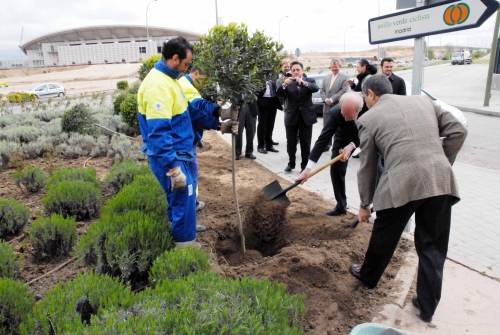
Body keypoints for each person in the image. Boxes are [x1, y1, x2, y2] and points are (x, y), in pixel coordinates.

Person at [348, 75, 467, 323]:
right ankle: (427, 307)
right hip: (439, 181)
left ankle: (368, 277)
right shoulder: (425, 103)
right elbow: (458, 129)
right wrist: (442, 161)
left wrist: (364, 204)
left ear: (371, 94)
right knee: (433, 246)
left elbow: (368, 167)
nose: (365, 101)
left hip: (402, 184)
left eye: (363, 96)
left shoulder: (368, 119)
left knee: (385, 233)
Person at [137, 37, 238, 249]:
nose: (188, 68)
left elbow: (189, 111)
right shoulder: (158, 85)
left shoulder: (171, 80)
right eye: (186, 64)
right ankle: (184, 250)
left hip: (180, 153)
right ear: (175, 58)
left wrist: (218, 120)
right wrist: (173, 168)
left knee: (182, 201)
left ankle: (180, 235)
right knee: (183, 199)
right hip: (172, 156)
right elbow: (158, 132)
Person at [296, 92, 364, 216]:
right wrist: (307, 168)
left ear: (359, 110)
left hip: (368, 136)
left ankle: (368, 207)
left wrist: (353, 145)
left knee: (374, 171)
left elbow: (371, 134)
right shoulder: (336, 113)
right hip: (343, 136)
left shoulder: (370, 109)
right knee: (336, 170)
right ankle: (341, 206)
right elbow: (322, 140)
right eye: (344, 114)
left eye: (350, 116)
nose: (346, 119)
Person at [178, 66, 232, 215]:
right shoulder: (185, 85)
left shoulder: (185, 84)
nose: (206, 84)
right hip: (184, 141)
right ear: (196, 73)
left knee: (190, 175)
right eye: (205, 80)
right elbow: (198, 109)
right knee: (190, 175)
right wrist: (219, 116)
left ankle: (192, 203)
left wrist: (219, 116)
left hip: (187, 138)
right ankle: (191, 206)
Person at [276, 60, 319, 173]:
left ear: (302, 71)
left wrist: (304, 83)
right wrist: (284, 84)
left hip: (306, 117)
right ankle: (291, 163)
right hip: (291, 116)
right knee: (291, 142)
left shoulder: (309, 80)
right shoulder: (288, 82)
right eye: (293, 70)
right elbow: (279, 93)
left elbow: (315, 88)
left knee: (306, 143)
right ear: (291, 71)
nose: (296, 72)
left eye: (298, 70)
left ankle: (304, 165)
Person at [346, 58, 377, 158]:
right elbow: (359, 89)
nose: (357, 69)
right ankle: (361, 149)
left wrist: (356, 94)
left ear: (364, 67)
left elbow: (367, 93)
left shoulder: (368, 78)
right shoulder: (361, 77)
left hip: (366, 107)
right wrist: (352, 85)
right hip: (361, 106)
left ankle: (363, 150)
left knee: (365, 129)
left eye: (358, 67)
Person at [319, 58, 349, 152]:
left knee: (338, 128)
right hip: (327, 107)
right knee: (326, 127)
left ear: (340, 66)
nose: (334, 69)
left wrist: (332, 99)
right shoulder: (327, 76)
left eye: (336, 67)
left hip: (337, 106)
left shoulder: (344, 77)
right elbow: (322, 90)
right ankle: (327, 145)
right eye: (332, 67)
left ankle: (337, 146)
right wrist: (326, 99)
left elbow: (344, 90)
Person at [256, 77, 282, 154]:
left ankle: (269, 145)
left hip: (273, 101)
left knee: (270, 124)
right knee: (262, 125)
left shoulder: (274, 76)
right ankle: (261, 146)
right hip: (263, 101)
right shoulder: (259, 76)